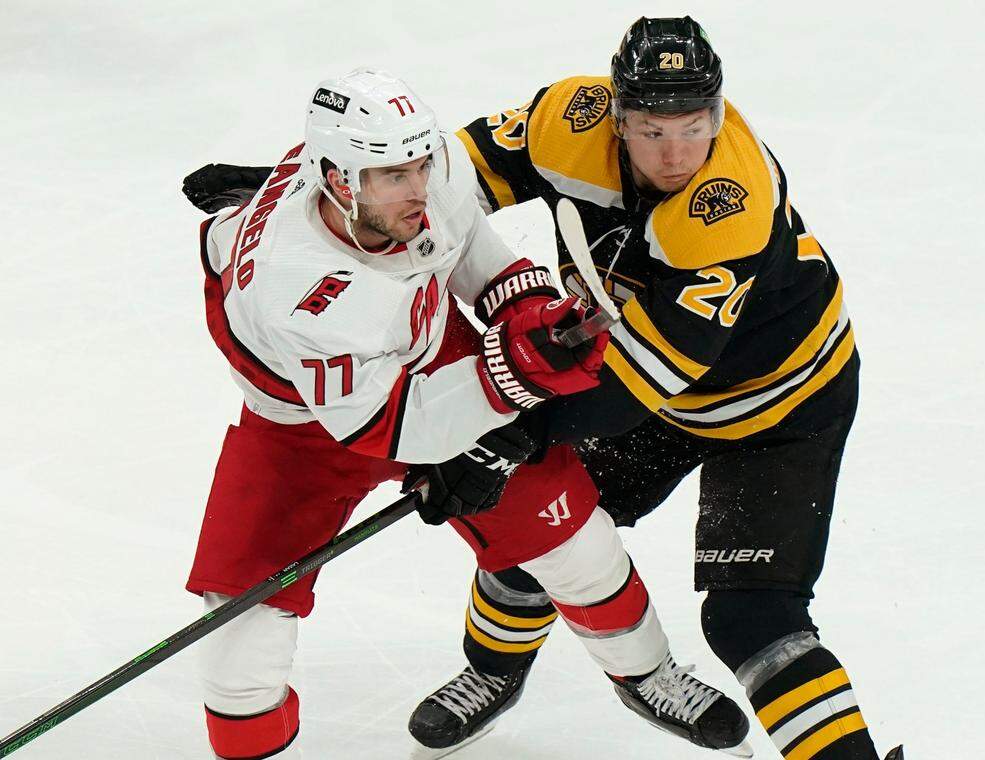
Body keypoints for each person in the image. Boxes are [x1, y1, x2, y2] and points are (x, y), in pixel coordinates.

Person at [183, 18, 903, 757]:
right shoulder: (570, 122)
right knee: (534, 539)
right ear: (618, 118)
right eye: (653, 130)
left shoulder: (726, 211)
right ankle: (491, 673)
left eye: (695, 127)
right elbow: (454, 184)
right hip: (411, 398)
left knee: (743, 616)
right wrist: (303, 197)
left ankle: (659, 681)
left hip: (775, 403)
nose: (678, 153)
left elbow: (633, 382)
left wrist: (502, 437)